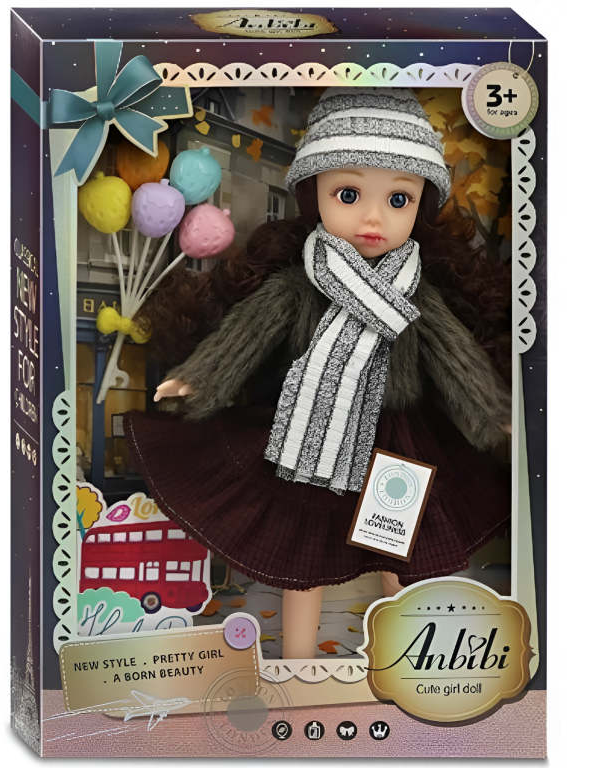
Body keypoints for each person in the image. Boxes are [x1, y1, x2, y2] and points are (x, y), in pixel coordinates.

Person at [125, 88, 511, 659]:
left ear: (421, 206)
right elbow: (248, 334)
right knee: (303, 558)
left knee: (398, 555)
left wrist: (492, 415)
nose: (373, 217)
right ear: (314, 194)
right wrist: (201, 377)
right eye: (348, 194)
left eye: (399, 199)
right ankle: (297, 664)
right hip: (309, 428)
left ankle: (407, 659)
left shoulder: (416, 293)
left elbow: (454, 356)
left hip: (397, 441)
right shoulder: (300, 282)